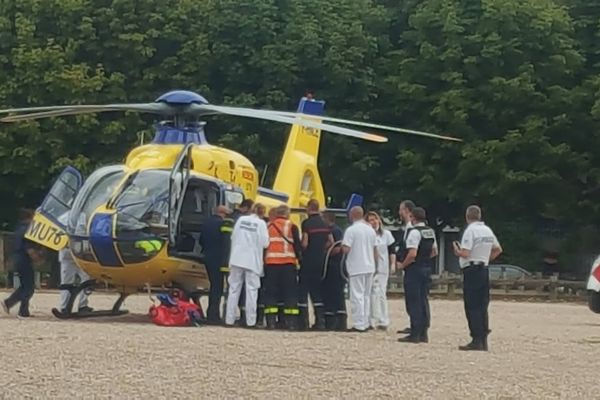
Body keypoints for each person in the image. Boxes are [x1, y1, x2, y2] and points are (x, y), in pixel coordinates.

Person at [453, 205, 502, 351]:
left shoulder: (470, 231)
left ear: (467, 216)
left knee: (472, 304)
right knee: (482, 304)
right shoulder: (487, 230)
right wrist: (486, 258)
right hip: (484, 268)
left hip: (472, 269)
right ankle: (483, 338)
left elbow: (466, 253)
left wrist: (457, 251)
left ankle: (476, 338)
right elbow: (498, 249)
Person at [224, 203, 269, 328]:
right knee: (251, 290)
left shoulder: (241, 220)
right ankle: (250, 321)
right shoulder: (261, 224)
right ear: (262, 213)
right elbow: (265, 243)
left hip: (237, 258)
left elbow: (233, 237)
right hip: (252, 260)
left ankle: (229, 320)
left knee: (233, 289)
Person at [397, 207, 437, 343]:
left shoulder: (414, 232)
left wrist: (402, 265)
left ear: (413, 217)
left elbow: (412, 254)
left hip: (414, 269)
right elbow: (434, 252)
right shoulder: (429, 231)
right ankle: (424, 332)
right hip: (426, 268)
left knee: (413, 301)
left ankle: (415, 332)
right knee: (423, 299)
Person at [263, 205, 301, 330]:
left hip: (271, 263)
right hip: (288, 263)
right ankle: (291, 322)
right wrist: (300, 260)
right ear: (287, 213)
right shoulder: (292, 226)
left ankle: (271, 322)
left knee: (271, 293)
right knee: (290, 293)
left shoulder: (268, 226)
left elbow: (264, 245)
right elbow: (297, 245)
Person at [341, 206, 377, 332]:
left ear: (352, 215)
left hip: (356, 266)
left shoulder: (351, 230)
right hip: (370, 266)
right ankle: (366, 322)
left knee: (357, 296)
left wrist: (341, 246)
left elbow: (346, 248)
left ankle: (359, 324)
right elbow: (374, 249)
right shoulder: (370, 230)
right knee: (366, 296)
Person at [298, 199, 332, 330]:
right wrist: (321, 249)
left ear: (308, 208)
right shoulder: (324, 223)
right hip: (320, 260)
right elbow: (331, 241)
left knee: (303, 290)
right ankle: (320, 321)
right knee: (317, 291)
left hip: (308, 260)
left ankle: (303, 322)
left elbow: (305, 243)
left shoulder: (307, 223)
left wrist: (303, 250)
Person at [2, 209, 39, 318]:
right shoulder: (27, 230)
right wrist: (36, 258)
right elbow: (28, 248)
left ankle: (22, 310)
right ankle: (12, 304)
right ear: (29, 218)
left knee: (25, 286)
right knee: (29, 287)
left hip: (18, 259)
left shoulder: (18, 229)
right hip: (24, 260)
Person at [199, 205, 232, 324]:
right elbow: (226, 243)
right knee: (218, 288)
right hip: (220, 259)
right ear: (222, 213)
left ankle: (211, 313)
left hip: (208, 257)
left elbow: (201, 240)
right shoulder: (223, 225)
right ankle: (214, 316)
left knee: (214, 286)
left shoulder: (206, 223)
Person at [56, 211, 93, 315]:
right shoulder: (63, 217)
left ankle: (83, 305)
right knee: (66, 281)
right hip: (67, 252)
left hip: (81, 253)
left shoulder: (83, 216)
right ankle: (64, 306)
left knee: (86, 279)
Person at [366, 211, 395, 331]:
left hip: (383, 268)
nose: (373, 222)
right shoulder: (367, 235)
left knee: (381, 293)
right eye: (370, 220)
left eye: (375, 219)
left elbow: (392, 250)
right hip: (369, 267)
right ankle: (371, 319)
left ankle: (383, 319)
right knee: (371, 294)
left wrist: (392, 264)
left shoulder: (386, 234)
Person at [322, 211, 347, 331]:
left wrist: (324, 253)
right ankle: (333, 319)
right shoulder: (337, 230)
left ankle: (338, 321)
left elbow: (338, 248)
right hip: (333, 266)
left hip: (335, 265)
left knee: (336, 293)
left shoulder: (334, 231)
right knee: (331, 293)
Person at [397, 200, 416, 335]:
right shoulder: (407, 228)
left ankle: (415, 324)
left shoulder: (411, 229)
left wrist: (402, 263)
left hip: (412, 266)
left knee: (414, 297)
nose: (399, 212)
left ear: (408, 211)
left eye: (401, 210)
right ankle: (413, 322)